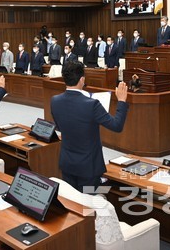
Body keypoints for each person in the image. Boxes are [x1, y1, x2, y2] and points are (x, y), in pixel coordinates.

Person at [51, 61, 129, 192]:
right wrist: (121, 101)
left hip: (67, 163)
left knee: (72, 203)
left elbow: (59, 127)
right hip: (88, 167)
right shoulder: (92, 104)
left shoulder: (54, 100)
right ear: (82, 79)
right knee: (88, 205)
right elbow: (117, 126)